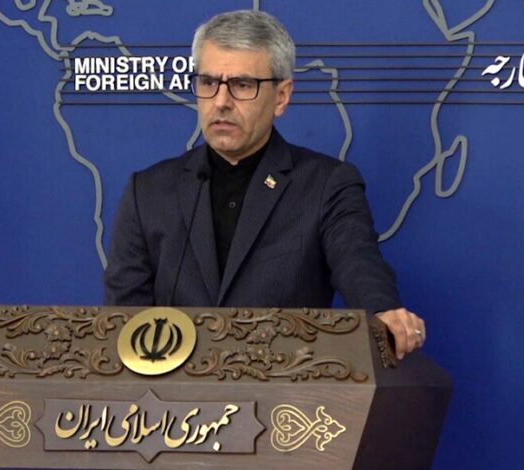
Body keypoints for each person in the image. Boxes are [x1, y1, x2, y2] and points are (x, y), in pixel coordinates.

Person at [104, 10, 425, 359]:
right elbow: (124, 324)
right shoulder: (148, 192)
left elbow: (358, 264)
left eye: (242, 85)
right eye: (208, 83)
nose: (221, 102)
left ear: (282, 97)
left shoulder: (326, 186)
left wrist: (382, 311)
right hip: (171, 389)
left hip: (287, 384)